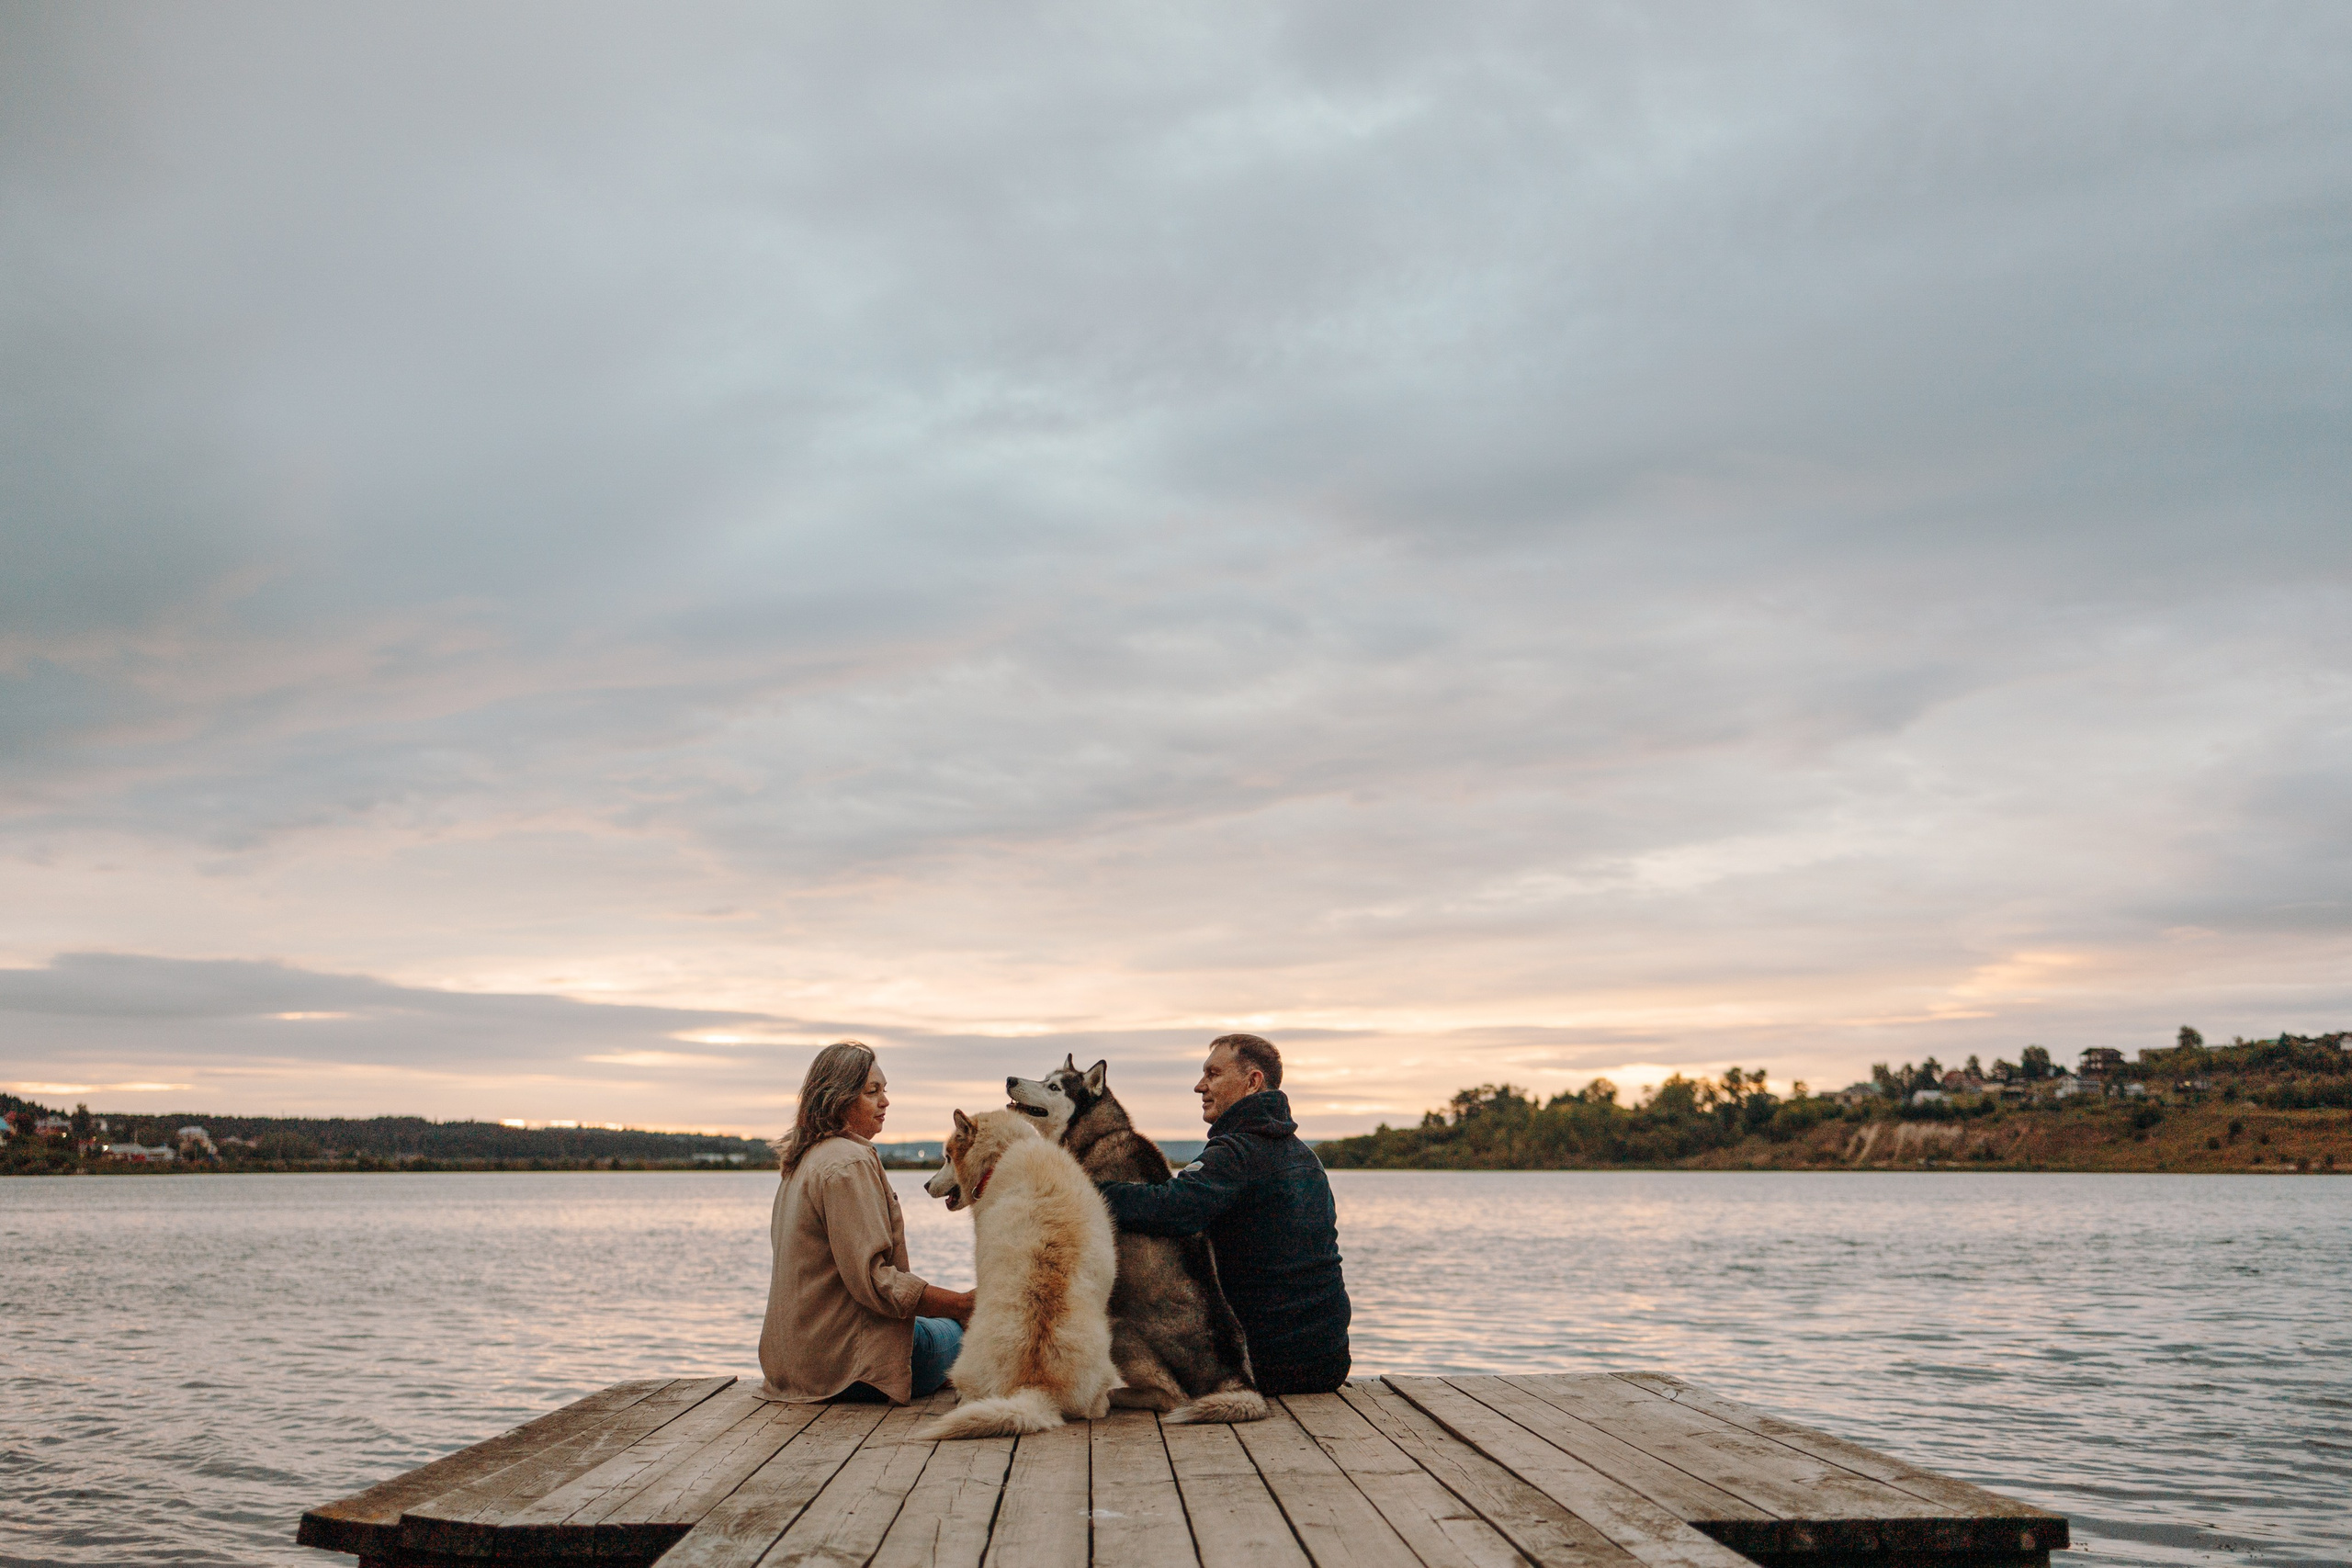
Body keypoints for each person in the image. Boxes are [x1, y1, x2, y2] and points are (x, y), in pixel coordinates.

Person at [1092, 1032, 1351, 1394]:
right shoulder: (1306, 1158)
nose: (1200, 1086)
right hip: (1326, 1363)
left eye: (1213, 1074)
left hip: (1263, 1366)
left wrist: (1089, 1191)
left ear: (1252, 1081)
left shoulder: (1236, 1152)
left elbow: (1171, 1209)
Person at [758, 1041, 973, 1404]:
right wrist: (961, 1305)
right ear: (837, 1099)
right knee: (962, 1331)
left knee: (931, 1325)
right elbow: (875, 1281)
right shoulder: (848, 1163)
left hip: (792, 1366)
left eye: (884, 1090)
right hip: (847, 1369)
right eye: (871, 1092)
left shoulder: (802, 1161)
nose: (884, 1101)